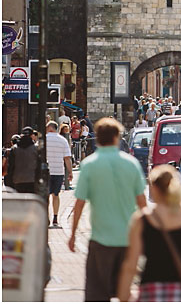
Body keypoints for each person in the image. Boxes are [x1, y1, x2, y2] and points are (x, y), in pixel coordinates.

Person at [69, 117, 147, 301]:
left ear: (97, 137)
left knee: (97, 294)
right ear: (116, 138)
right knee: (125, 291)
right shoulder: (131, 164)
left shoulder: (89, 165)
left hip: (100, 240)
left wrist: (73, 234)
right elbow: (142, 203)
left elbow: (79, 204)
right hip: (128, 239)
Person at [116, 165, 181, 301]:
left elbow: (131, 264)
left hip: (150, 292)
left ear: (154, 188)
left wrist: (124, 297)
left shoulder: (142, 219)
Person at [45, 121, 74, 226]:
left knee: (46, 196)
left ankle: (46, 217)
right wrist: (70, 172)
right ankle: (55, 218)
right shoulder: (63, 140)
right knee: (56, 195)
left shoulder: (44, 139)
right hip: (58, 171)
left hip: (46, 171)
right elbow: (67, 158)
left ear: (48, 128)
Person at [7, 126, 39, 194]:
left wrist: (9, 181)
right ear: (32, 135)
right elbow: (38, 165)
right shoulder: (36, 148)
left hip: (17, 179)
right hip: (32, 179)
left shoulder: (14, 148)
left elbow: (11, 166)